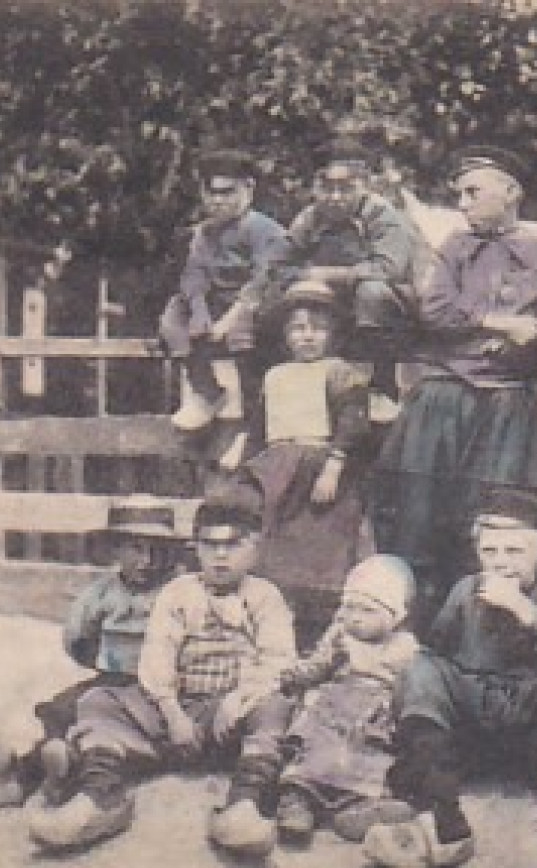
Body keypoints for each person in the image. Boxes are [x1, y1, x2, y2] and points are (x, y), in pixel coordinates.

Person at [362, 490, 537, 868]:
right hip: (474, 733)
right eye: (489, 550)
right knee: (420, 671)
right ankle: (444, 819)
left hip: (533, 734)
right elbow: (437, 653)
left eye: (514, 551)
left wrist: (524, 610)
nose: (500, 561)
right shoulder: (466, 590)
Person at [373, 146, 537, 614]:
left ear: (511, 192)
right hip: (449, 389)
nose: (463, 203)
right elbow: (436, 310)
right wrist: (498, 322)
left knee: (498, 507)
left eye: (473, 192)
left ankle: (492, 609)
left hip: (512, 397)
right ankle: (422, 607)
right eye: (459, 195)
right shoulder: (455, 248)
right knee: (420, 502)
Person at [26, 485, 296, 856]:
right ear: (196, 548)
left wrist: (238, 700)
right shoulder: (179, 592)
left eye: (233, 545)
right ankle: (99, 798)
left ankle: (243, 806)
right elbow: (157, 656)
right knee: (100, 701)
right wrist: (172, 712)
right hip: (178, 712)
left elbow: (277, 659)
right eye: (209, 545)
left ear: (255, 548)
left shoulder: (265, 596)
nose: (220, 556)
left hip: (230, 716)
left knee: (277, 707)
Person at [0, 499, 186, 807]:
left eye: (158, 550)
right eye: (135, 549)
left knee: (102, 730)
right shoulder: (103, 592)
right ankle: (22, 776)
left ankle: (56, 775)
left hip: (161, 685)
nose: (147, 560)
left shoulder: (179, 591)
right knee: (64, 709)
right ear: (115, 550)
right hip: (114, 678)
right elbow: (77, 636)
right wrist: (98, 657)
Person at [221, 555, 421, 852]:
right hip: (331, 704)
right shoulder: (340, 634)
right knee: (310, 748)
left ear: (395, 616)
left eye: (367, 610)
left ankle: (361, 809)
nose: (354, 617)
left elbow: (405, 683)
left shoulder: (404, 646)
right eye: (349, 607)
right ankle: (297, 805)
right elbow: (317, 665)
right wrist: (295, 675)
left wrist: (365, 664)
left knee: (369, 759)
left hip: (372, 712)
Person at [225, 280, 377, 644]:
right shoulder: (275, 376)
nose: (307, 337)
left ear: (332, 333)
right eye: (298, 328)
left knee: (320, 547)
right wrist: (244, 460)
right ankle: (270, 624)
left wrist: (335, 464)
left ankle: (320, 630)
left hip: (316, 468)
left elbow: (353, 422)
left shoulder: (339, 371)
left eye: (318, 329)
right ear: (285, 334)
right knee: (267, 541)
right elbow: (260, 429)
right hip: (276, 467)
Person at [270, 137, 425, 406]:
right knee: (280, 296)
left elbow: (389, 269)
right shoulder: (311, 218)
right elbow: (278, 264)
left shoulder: (382, 216)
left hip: (389, 310)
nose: (335, 198)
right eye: (327, 188)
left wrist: (327, 275)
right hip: (332, 304)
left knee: (371, 292)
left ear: (364, 186)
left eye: (346, 189)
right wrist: (303, 282)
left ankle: (380, 383)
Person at [160, 148, 289, 433]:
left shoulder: (266, 230)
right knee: (172, 317)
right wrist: (198, 310)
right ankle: (206, 390)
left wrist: (228, 321)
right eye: (211, 192)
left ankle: (252, 428)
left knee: (246, 332)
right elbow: (195, 273)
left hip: (254, 305)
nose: (218, 201)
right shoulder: (203, 233)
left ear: (249, 189)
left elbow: (263, 279)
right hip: (216, 301)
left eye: (227, 192)